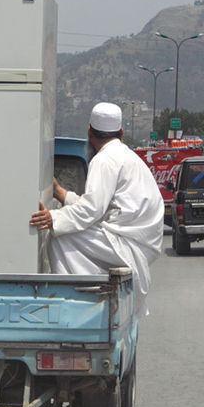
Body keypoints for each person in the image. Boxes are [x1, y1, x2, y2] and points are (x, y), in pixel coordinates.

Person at [29, 102, 163, 318]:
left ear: (89, 132)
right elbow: (98, 208)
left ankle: (76, 301)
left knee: (61, 236)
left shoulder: (104, 160)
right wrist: (61, 193)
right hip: (138, 244)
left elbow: (91, 210)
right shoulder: (127, 157)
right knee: (67, 228)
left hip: (126, 244)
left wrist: (52, 218)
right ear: (121, 132)